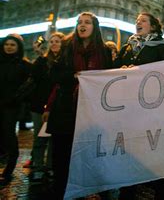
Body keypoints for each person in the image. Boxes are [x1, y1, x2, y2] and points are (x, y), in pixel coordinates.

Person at [46, 12, 113, 198]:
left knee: (90, 154)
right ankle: (62, 190)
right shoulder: (67, 47)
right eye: (79, 23)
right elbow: (53, 75)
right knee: (62, 156)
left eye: (87, 22)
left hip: (92, 113)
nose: (82, 25)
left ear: (94, 27)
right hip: (66, 111)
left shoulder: (104, 51)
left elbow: (109, 78)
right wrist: (73, 76)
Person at [115, 12, 164, 199]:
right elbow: (114, 67)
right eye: (137, 21)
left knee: (154, 150)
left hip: (153, 108)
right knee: (130, 151)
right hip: (129, 108)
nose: (138, 23)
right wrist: (121, 70)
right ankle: (127, 191)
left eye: (142, 21)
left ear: (153, 27)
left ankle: (161, 190)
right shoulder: (127, 47)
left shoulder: (163, 46)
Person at [27, 32, 65, 181]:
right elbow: (33, 81)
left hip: (58, 107)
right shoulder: (42, 61)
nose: (54, 44)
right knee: (39, 138)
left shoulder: (65, 63)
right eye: (52, 41)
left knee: (53, 139)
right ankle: (37, 166)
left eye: (58, 41)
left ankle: (50, 167)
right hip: (39, 107)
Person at [0, 34, 32, 184]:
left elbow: (30, 84)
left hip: (11, 106)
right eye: (7, 44)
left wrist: (17, 98)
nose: (9, 47)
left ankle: (10, 167)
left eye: (13, 45)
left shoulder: (24, 65)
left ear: (18, 47)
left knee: (9, 133)